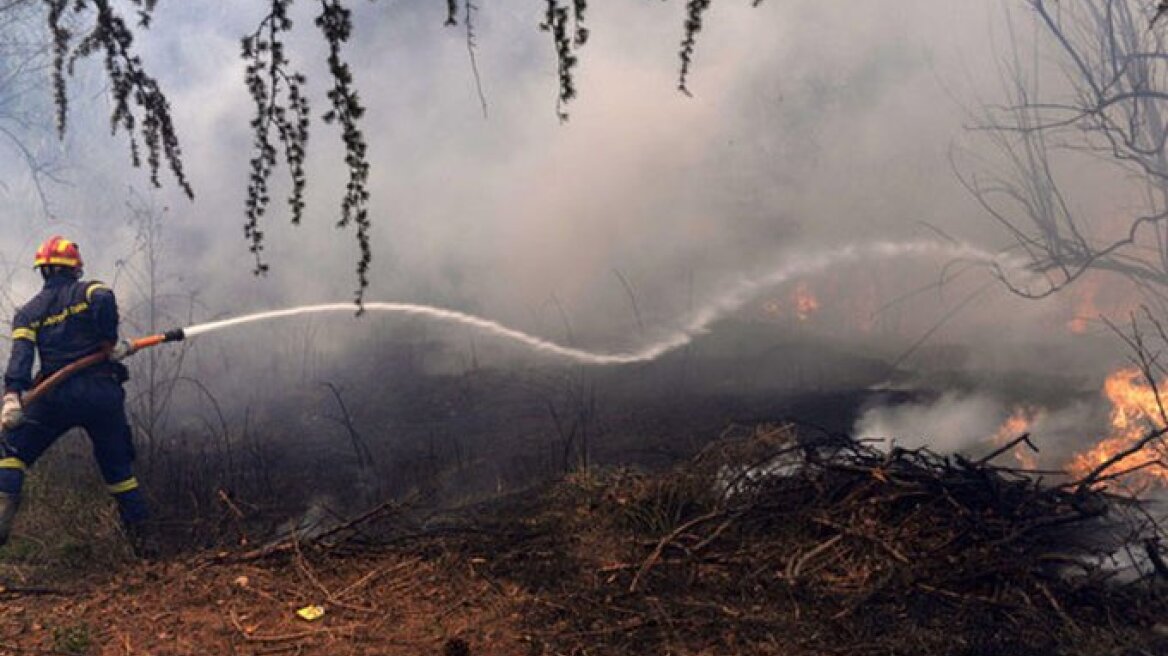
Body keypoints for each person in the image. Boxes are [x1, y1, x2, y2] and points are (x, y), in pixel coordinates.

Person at [0, 236, 146, 551]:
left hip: (55, 398)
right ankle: (145, 548)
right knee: (119, 471)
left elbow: (21, 356)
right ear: (75, 268)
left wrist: (12, 395)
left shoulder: (28, 313)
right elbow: (103, 296)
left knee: (11, 453)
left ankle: (1, 519)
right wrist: (110, 344)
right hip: (100, 394)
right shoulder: (88, 291)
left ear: (43, 271)